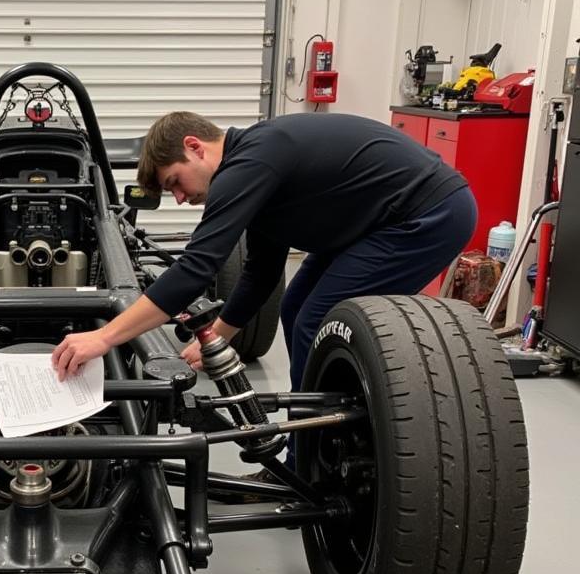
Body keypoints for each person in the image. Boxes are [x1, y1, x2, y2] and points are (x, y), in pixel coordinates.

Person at [52, 110, 477, 397]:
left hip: (427, 213)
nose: (180, 198)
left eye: (175, 182)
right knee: (295, 307)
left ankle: (318, 454)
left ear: (195, 146)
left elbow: (198, 267)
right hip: (384, 219)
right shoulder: (256, 167)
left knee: (320, 320)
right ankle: (315, 432)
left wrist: (104, 337)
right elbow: (262, 271)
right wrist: (219, 336)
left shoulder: (249, 164)